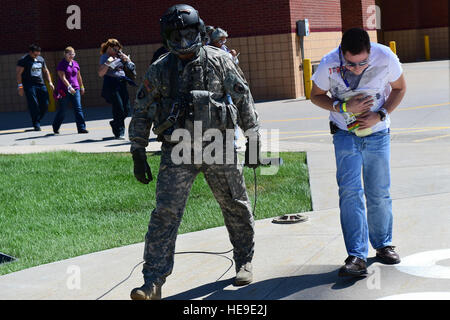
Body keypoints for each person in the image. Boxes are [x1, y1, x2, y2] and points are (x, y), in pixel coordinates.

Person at [128, 4, 262, 300]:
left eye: (188, 33)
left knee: (235, 204)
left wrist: (253, 139)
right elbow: (142, 110)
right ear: (167, 37)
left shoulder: (220, 61)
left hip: (219, 145)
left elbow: (243, 98)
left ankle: (244, 260)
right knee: (165, 214)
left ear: (199, 31)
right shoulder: (160, 69)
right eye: (176, 35)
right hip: (179, 151)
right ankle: (152, 281)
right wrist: (137, 150)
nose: (183, 41)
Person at [310, 28, 406, 277]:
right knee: (350, 193)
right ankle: (356, 255)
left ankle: (384, 244)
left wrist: (380, 114)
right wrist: (342, 106)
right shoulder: (329, 63)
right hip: (344, 135)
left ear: (370, 52)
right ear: (342, 54)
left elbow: (400, 88)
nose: (357, 67)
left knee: (379, 192)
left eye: (363, 62)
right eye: (351, 63)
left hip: (377, 134)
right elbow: (316, 95)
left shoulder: (385, 57)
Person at [98, 39, 136, 139]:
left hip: (122, 83)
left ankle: (115, 123)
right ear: (109, 48)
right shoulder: (105, 57)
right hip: (111, 83)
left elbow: (132, 67)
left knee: (126, 109)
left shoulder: (120, 56)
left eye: (118, 50)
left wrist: (127, 60)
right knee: (118, 107)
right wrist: (107, 63)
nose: (117, 52)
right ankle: (119, 132)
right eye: (115, 49)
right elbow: (100, 73)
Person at [16, 44, 54, 131]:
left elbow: (46, 70)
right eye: (35, 54)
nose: (37, 56)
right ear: (30, 52)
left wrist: (50, 82)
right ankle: (36, 124)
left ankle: (37, 120)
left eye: (38, 54)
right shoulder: (23, 60)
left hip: (41, 84)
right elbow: (18, 74)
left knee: (45, 104)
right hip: (29, 85)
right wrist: (20, 86)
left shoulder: (41, 59)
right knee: (34, 104)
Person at [52, 47, 88, 134]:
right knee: (63, 110)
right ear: (65, 54)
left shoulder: (75, 63)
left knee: (78, 108)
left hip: (76, 89)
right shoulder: (62, 64)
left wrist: (82, 86)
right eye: (69, 54)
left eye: (73, 54)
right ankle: (55, 126)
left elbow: (79, 76)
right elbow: (62, 77)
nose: (71, 56)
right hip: (64, 90)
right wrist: (69, 87)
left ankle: (81, 128)